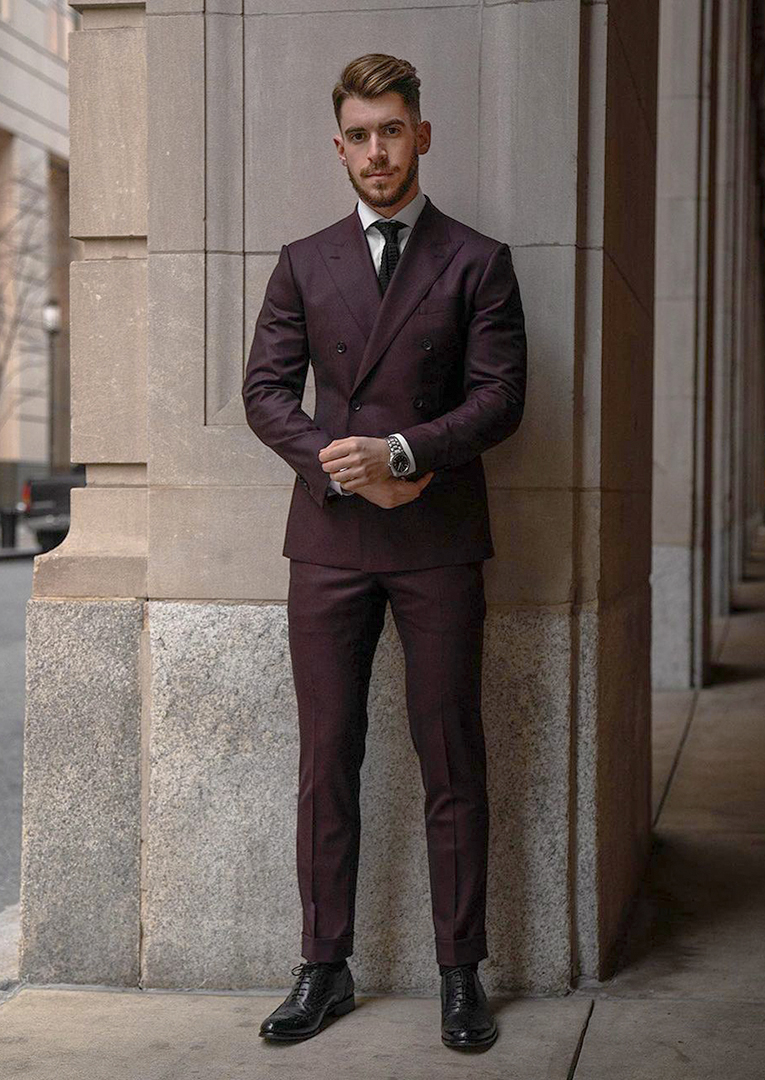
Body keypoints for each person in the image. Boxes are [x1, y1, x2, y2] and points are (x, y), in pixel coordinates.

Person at [242, 52, 527, 1051]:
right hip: (327, 539)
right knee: (327, 758)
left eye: (391, 130)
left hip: (438, 537)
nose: (375, 151)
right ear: (339, 145)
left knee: (450, 753)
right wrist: (344, 462)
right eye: (358, 135)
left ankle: (459, 973)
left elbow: (499, 397)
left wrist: (411, 454)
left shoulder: (476, 261)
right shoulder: (301, 260)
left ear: (421, 135)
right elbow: (264, 391)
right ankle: (322, 967)